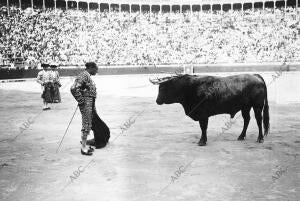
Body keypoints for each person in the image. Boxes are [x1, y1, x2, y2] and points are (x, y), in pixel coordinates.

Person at [70, 62, 98, 156]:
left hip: (90, 104)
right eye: (95, 68)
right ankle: (83, 148)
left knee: (89, 123)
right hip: (86, 104)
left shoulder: (87, 75)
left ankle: (85, 145)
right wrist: (81, 101)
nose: (97, 70)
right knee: (86, 124)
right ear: (91, 67)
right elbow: (73, 88)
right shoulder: (84, 75)